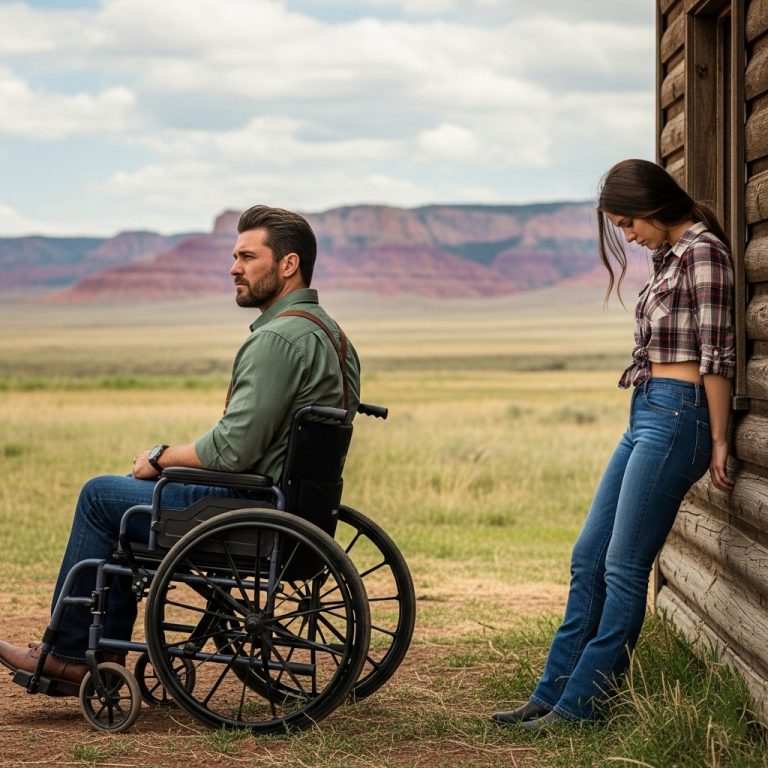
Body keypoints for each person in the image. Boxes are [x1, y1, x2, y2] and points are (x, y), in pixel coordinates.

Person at [0, 204, 361, 687]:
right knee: (122, 500)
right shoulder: (333, 336)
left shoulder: (277, 339)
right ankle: (87, 655)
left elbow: (231, 451)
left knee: (101, 497)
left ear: (288, 264)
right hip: (298, 513)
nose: (233, 268)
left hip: (247, 510)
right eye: (235, 256)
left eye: (247, 257)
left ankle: (70, 656)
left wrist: (159, 457)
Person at [492, 159, 735, 731]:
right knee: (588, 557)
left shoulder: (704, 253)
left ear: (654, 206)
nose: (628, 236)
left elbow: (717, 355)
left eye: (629, 223)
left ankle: (584, 706)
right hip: (646, 410)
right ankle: (552, 692)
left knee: (625, 567)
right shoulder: (667, 255)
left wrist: (721, 439)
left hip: (681, 416)